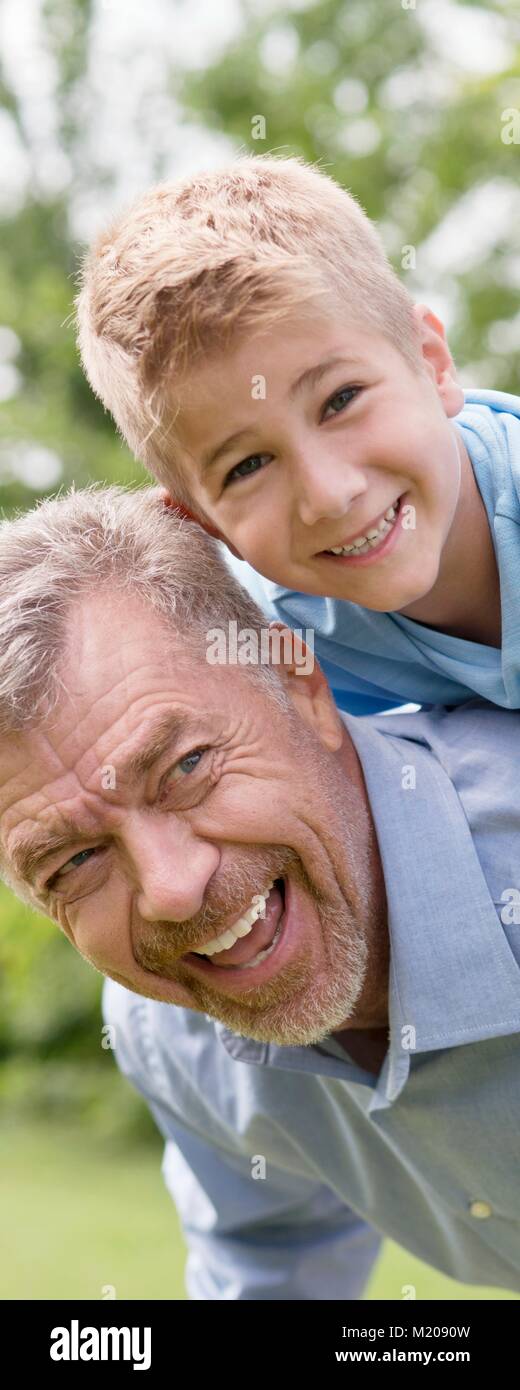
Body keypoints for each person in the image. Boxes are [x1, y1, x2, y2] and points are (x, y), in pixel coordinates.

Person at [0, 486, 518, 1299]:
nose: (171, 891)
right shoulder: (168, 1037)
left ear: (302, 687)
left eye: (186, 768)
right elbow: (272, 1262)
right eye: (70, 864)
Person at [75, 152, 520, 716]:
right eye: (248, 466)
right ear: (208, 523)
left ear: (432, 364)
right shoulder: (278, 641)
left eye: (340, 400)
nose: (329, 493)